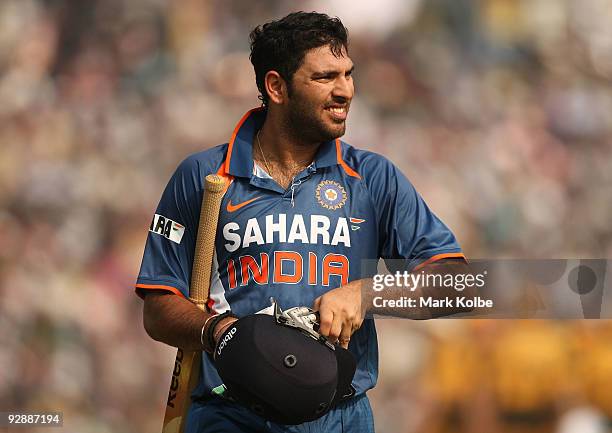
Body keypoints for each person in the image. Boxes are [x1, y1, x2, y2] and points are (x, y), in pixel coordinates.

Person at [136, 11, 468, 433]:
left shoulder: (373, 178)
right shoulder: (204, 177)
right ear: (276, 87)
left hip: (341, 417)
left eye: (348, 74)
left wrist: (368, 293)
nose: (345, 90)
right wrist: (218, 331)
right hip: (229, 415)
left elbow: (458, 286)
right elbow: (159, 307)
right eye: (325, 77)